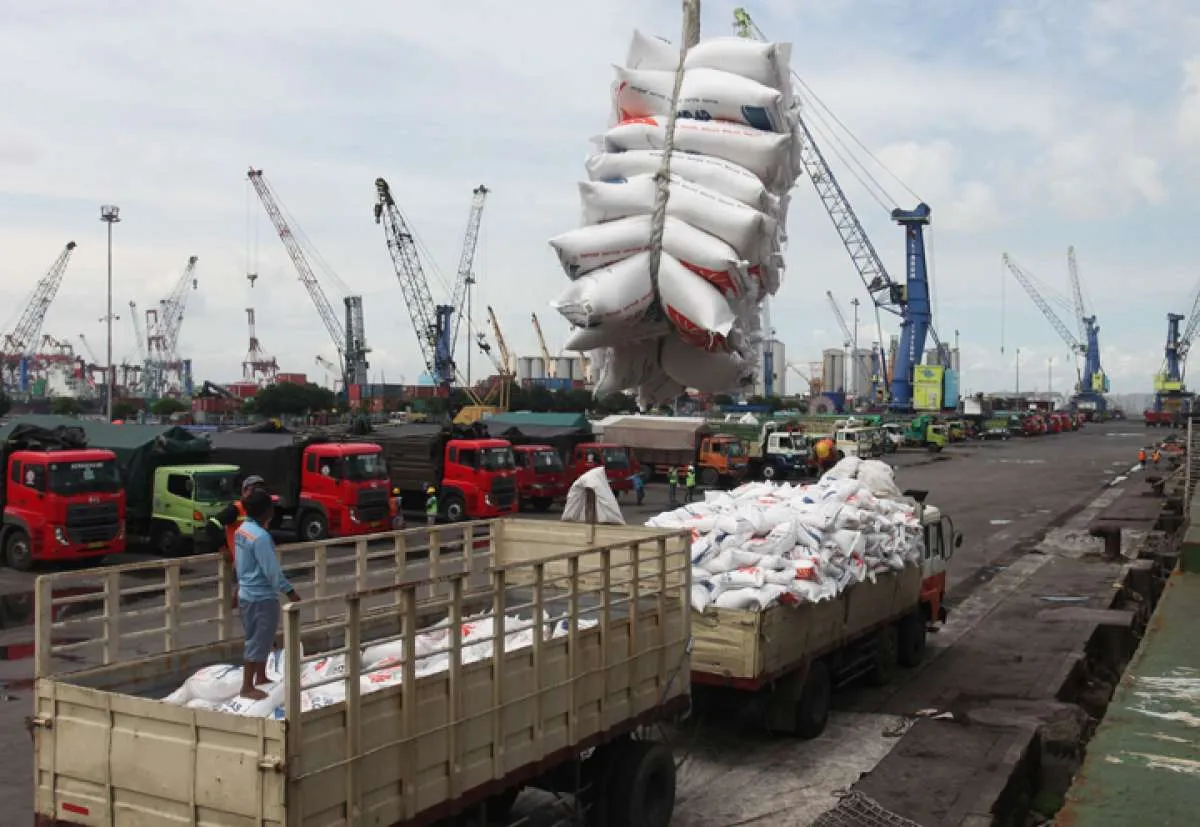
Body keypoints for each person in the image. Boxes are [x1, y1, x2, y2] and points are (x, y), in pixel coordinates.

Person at [234, 489, 301, 700]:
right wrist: (290, 591)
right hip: (261, 596)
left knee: (263, 637)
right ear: (266, 511)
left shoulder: (242, 530)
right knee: (257, 639)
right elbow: (272, 572)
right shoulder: (261, 538)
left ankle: (261, 676)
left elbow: (240, 563)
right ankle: (247, 686)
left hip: (246, 593)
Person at [206, 475, 268, 609]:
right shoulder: (235, 509)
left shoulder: (261, 511)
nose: (258, 494)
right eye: (254, 490)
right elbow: (211, 526)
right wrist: (223, 548)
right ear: (244, 491)